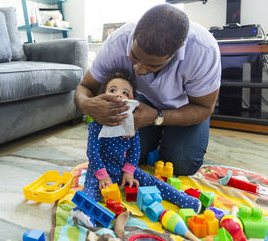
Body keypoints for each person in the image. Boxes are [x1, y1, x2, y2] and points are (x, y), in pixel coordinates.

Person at [74, 4, 221, 176]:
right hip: (143, 101)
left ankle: (164, 135)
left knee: (181, 164)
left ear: (179, 49)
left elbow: (204, 108)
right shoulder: (117, 42)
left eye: (153, 65)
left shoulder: (203, 50)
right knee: (121, 153)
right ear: (134, 34)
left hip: (187, 107)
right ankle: (156, 136)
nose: (139, 69)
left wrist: (157, 117)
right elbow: (84, 87)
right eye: (134, 57)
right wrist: (87, 104)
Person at [72, 72, 201, 227]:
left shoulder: (131, 124)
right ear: (103, 97)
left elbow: (134, 150)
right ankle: (84, 213)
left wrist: (128, 171)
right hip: (99, 170)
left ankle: (183, 199)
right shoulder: (97, 124)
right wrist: (102, 176)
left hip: (122, 168)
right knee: (90, 189)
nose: (118, 95)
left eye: (125, 93)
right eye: (112, 91)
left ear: (133, 101)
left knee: (151, 180)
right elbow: (92, 152)